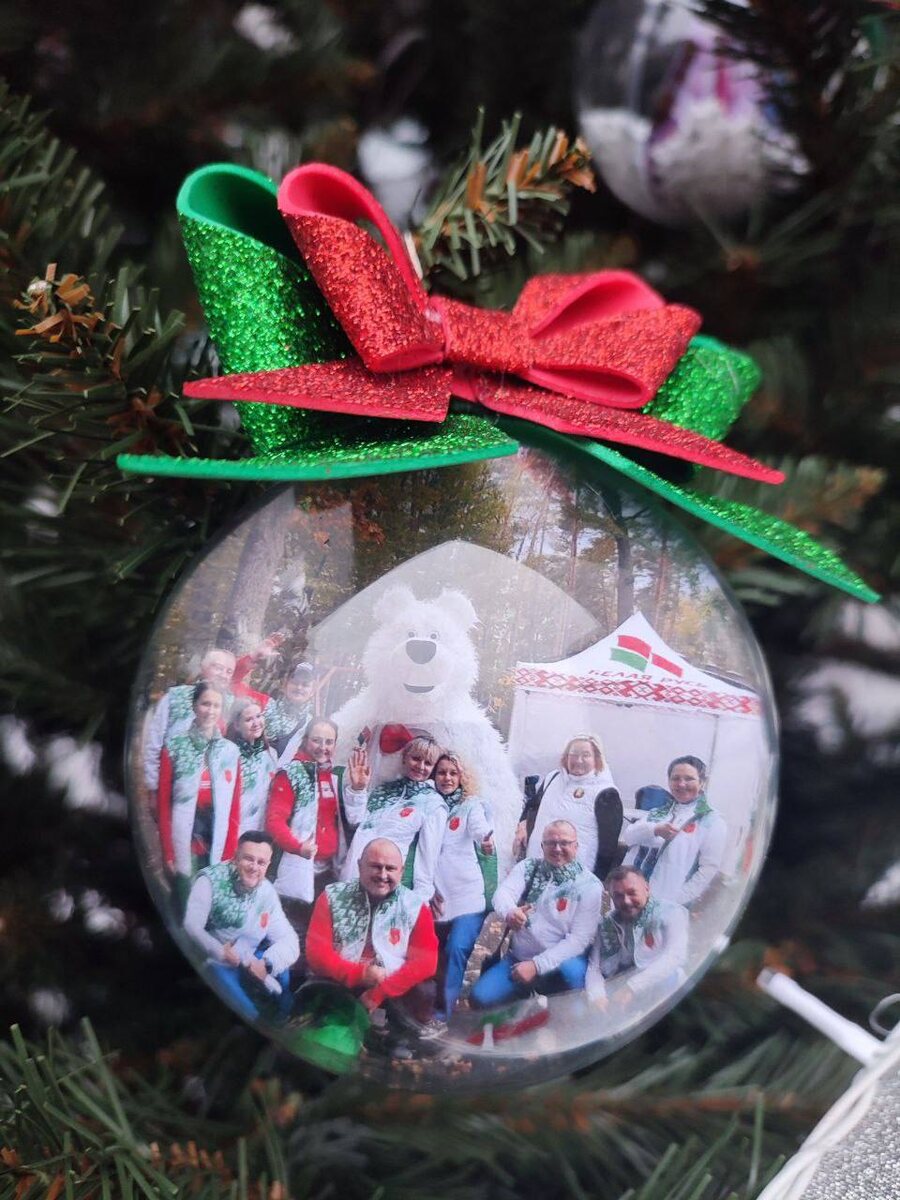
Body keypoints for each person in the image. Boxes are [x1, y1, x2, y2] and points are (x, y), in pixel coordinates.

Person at [470, 820, 604, 1010]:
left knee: (575, 1007)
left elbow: (579, 939)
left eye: (564, 843)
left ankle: (562, 1002)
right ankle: (524, 998)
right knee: (481, 999)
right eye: (551, 843)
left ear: (576, 846)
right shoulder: (529, 867)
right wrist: (510, 912)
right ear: (542, 846)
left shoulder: (590, 886)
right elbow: (502, 894)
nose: (557, 848)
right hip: (520, 958)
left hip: (562, 963)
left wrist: (536, 966)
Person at [305, 838, 438, 1025]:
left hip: (390, 986)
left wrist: (378, 993)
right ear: (360, 866)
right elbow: (317, 955)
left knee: (425, 989)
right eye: (375, 866)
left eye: (390, 869)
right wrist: (360, 974)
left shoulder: (415, 906)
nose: (383, 875)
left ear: (401, 871)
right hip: (338, 980)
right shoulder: (332, 897)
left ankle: (399, 1034)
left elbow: (426, 962)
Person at [183, 831, 299, 1024]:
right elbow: (191, 924)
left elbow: (289, 940)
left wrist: (267, 964)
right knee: (247, 1012)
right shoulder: (210, 881)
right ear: (236, 857)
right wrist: (220, 951)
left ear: (268, 864)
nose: (254, 867)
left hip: (249, 958)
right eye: (248, 859)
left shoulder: (266, 891)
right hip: (215, 961)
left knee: (284, 980)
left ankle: (283, 1020)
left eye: (261, 863)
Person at [266, 719, 370, 925]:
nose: (323, 747)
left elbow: (354, 820)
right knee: (292, 931)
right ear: (305, 740)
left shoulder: (335, 776)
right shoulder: (291, 774)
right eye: (316, 740)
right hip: (295, 874)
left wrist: (358, 790)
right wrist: (298, 847)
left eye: (329, 742)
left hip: (329, 873)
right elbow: (274, 822)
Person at [157, 681, 242, 913]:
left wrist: (230, 853)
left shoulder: (230, 752)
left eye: (216, 705)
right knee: (183, 906)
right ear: (194, 706)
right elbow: (163, 805)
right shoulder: (174, 747)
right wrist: (168, 851)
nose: (210, 711)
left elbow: (234, 808)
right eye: (205, 704)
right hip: (184, 840)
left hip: (216, 841)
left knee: (207, 909)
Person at [429, 752, 495, 1027]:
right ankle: (425, 1002)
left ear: (461, 778)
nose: (447, 778)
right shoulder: (428, 804)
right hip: (436, 895)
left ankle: (442, 1014)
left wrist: (485, 841)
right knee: (433, 953)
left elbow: (480, 828)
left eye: (452, 773)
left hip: (467, 896)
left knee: (456, 948)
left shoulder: (470, 805)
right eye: (441, 772)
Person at [340, 735, 446, 902]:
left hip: (384, 880)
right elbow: (356, 821)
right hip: (352, 872)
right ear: (404, 758)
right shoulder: (383, 790)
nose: (420, 766)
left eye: (428, 763)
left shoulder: (433, 804)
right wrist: (358, 789)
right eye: (416, 758)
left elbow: (428, 856)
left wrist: (421, 897)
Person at [621, 755, 727, 907]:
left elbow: (708, 869)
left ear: (702, 782)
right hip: (628, 899)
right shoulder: (657, 813)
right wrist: (654, 830)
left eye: (689, 779)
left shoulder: (711, 821)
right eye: (675, 778)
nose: (681, 784)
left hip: (664, 905)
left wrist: (675, 900)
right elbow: (629, 836)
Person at [515, 734, 623, 881]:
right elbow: (532, 807)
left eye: (586, 755)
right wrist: (522, 825)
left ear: (597, 759)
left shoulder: (606, 792)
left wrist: (597, 881)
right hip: (537, 863)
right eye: (574, 754)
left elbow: (608, 847)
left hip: (575, 875)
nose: (579, 760)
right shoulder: (552, 778)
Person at [585, 866, 688, 1008]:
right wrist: (597, 996)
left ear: (647, 888)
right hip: (619, 988)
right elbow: (594, 967)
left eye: (632, 893)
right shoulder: (607, 923)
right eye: (618, 896)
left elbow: (675, 957)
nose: (626, 901)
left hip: (659, 985)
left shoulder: (671, 913)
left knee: (669, 979)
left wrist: (632, 987)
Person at [143, 647, 237, 792]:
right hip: (172, 786)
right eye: (218, 668)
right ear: (203, 667)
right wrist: (154, 786)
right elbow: (154, 743)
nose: (224, 675)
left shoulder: (231, 704)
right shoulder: (175, 697)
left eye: (229, 671)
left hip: (212, 791)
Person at [226, 699, 279, 835]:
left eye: (259, 716)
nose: (256, 723)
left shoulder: (271, 754)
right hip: (236, 830)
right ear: (237, 725)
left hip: (263, 832)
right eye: (249, 719)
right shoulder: (228, 756)